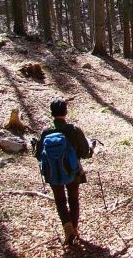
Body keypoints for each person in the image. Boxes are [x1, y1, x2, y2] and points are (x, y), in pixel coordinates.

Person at [34, 98, 93, 246]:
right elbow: (85, 152)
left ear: (52, 113)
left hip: (53, 173)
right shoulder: (73, 130)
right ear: (65, 112)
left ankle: (67, 227)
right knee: (73, 199)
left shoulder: (46, 132)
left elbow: (38, 155)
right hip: (73, 172)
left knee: (60, 201)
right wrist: (91, 147)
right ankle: (74, 228)